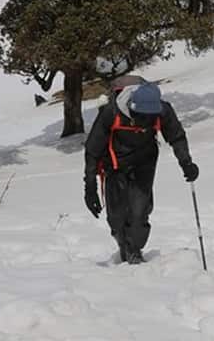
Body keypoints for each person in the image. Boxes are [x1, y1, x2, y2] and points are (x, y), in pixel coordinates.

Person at [84, 78, 199, 264]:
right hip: (115, 164)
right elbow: (92, 150)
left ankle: (134, 249)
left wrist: (186, 163)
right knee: (116, 215)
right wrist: (90, 189)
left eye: (150, 118)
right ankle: (122, 243)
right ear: (132, 106)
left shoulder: (162, 110)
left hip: (145, 161)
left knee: (139, 210)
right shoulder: (111, 113)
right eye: (141, 116)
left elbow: (176, 136)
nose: (145, 123)